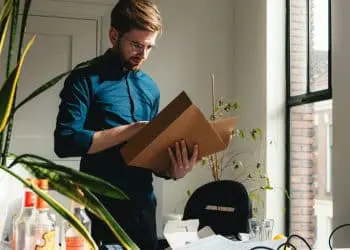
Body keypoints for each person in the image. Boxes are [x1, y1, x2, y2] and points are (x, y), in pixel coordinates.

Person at [54, 0, 198, 249]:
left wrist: (173, 171)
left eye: (149, 47)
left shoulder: (151, 88)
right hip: (98, 209)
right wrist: (132, 130)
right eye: (136, 45)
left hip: (142, 212)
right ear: (114, 35)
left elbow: (149, 156)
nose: (142, 55)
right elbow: (65, 141)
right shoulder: (84, 78)